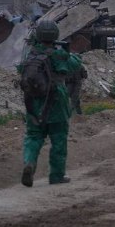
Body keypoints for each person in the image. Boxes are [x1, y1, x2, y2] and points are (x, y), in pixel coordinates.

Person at [19, 20, 84, 186]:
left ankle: (29, 162)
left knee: (33, 136)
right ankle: (56, 175)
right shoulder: (58, 55)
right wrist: (73, 55)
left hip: (33, 102)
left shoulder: (30, 54)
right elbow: (74, 65)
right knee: (58, 139)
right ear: (55, 35)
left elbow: (20, 69)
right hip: (56, 101)